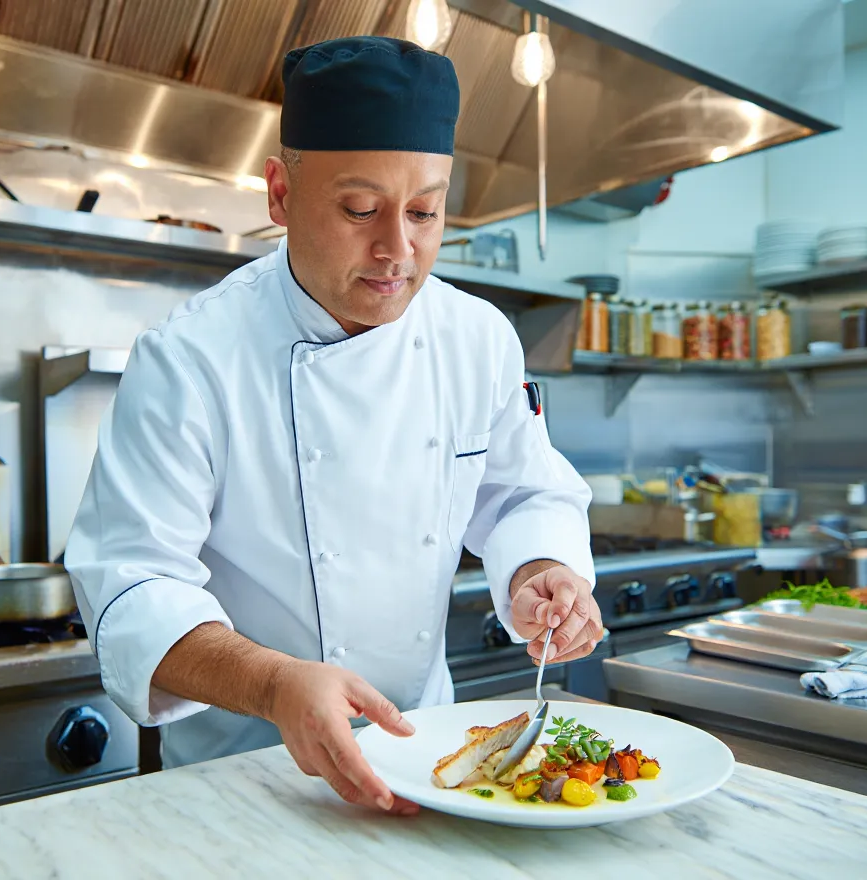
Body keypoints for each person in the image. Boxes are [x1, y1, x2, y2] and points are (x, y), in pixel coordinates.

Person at [65, 35, 601, 817]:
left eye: (425, 212)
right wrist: (273, 683)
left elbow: (523, 493)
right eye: (360, 210)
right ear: (280, 194)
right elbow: (132, 583)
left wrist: (541, 571)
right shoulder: (190, 359)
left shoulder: (477, 337)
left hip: (431, 759)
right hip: (245, 780)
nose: (398, 250)